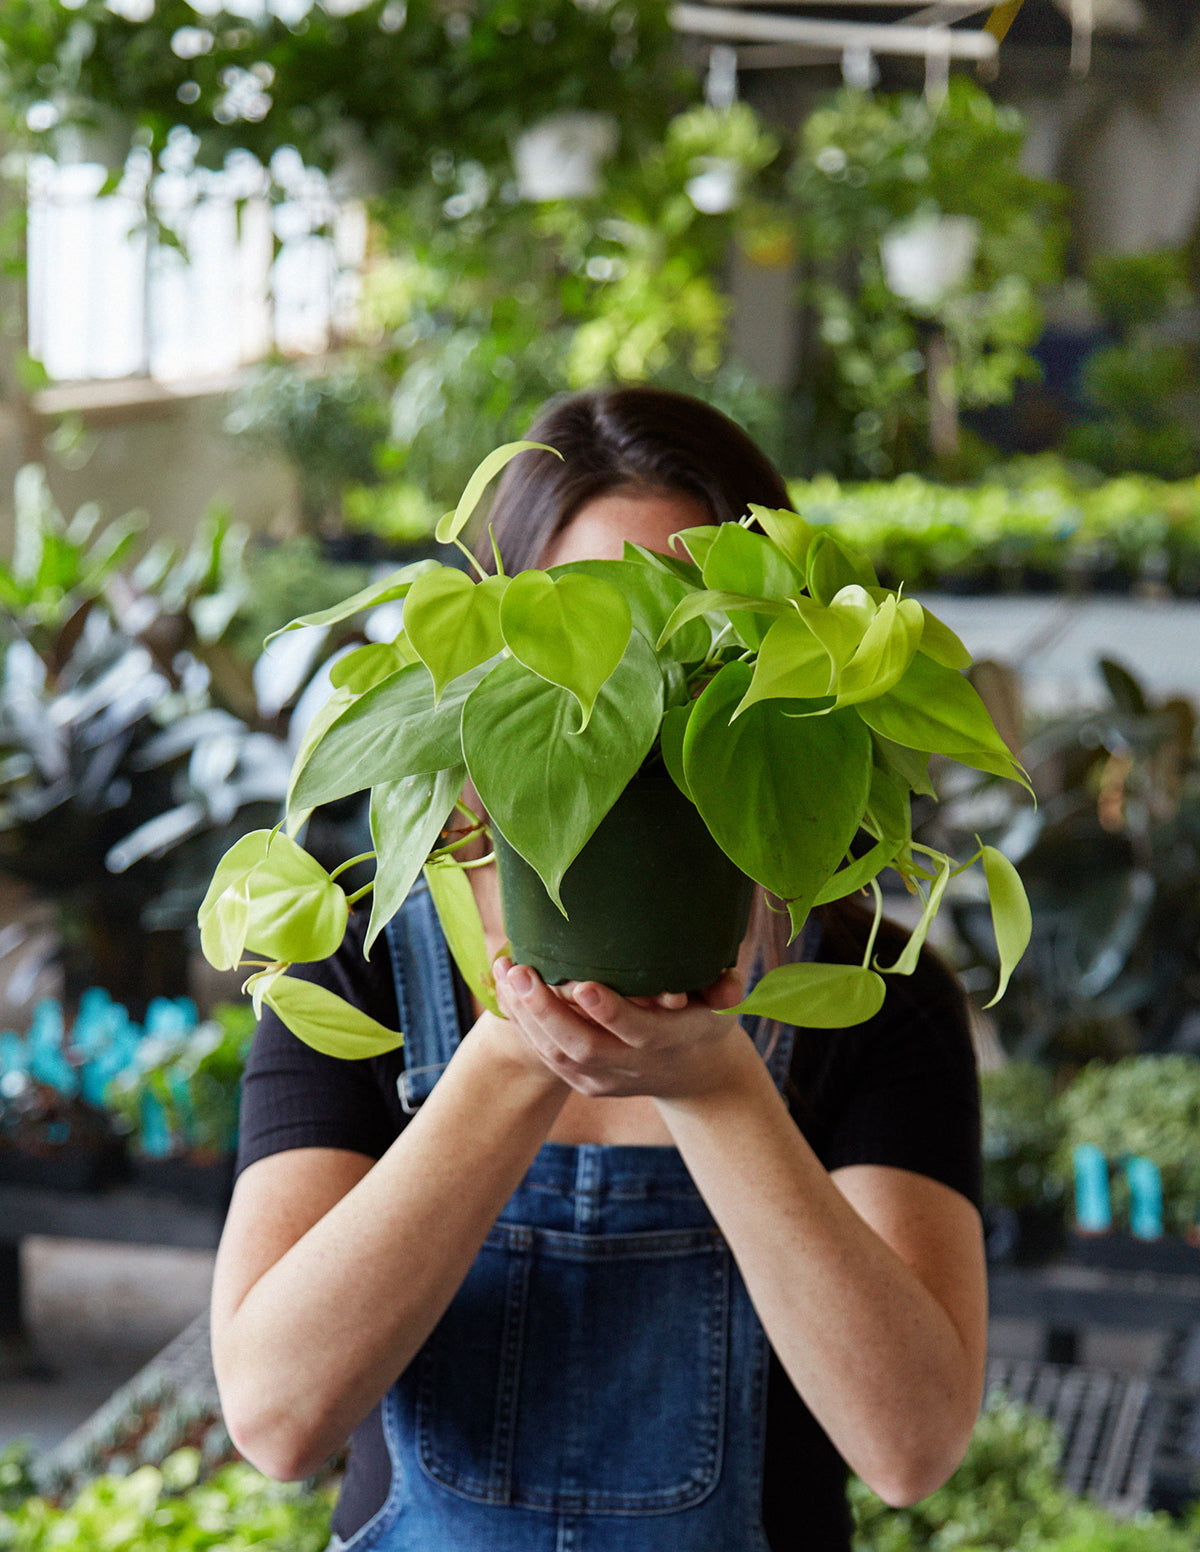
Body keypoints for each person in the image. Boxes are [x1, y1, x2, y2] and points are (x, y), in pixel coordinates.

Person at [211, 386, 987, 1552]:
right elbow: (276, 1417)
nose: (637, 697)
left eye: (696, 645)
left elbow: (911, 1444)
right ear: (484, 671)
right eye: (584, 628)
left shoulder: (871, 989)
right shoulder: (360, 967)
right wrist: (517, 1052)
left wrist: (718, 1087)